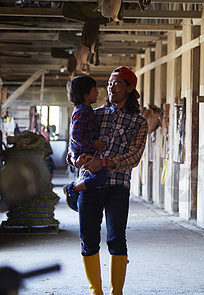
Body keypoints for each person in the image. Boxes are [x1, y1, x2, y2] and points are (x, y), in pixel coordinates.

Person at [67, 66, 148, 295]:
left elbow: (133, 157)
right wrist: (76, 159)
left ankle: (116, 292)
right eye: (110, 83)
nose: (111, 87)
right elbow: (72, 148)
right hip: (89, 185)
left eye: (117, 83)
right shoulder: (93, 113)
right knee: (88, 239)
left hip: (117, 187)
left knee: (116, 239)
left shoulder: (138, 122)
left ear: (130, 89)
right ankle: (95, 290)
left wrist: (103, 163)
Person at [64, 75, 107, 212]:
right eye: (95, 90)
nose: (98, 93)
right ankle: (73, 189)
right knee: (101, 177)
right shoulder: (82, 111)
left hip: (84, 151)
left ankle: (75, 187)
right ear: (85, 94)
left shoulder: (86, 110)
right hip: (84, 152)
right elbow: (76, 135)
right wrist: (92, 144)